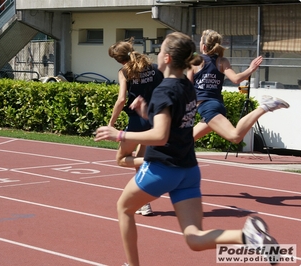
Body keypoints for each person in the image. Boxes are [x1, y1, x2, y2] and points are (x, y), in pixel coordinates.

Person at [95, 32, 278, 266]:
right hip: (188, 170)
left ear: (168, 58)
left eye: (160, 50)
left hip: (162, 168)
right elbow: (173, 122)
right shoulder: (187, 87)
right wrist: (147, 113)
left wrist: (118, 133)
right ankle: (246, 236)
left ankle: (132, 265)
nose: (157, 54)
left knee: (124, 209)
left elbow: (160, 136)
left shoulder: (164, 90)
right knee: (194, 238)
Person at [186, 29, 289, 143]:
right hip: (216, 105)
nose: (199, 44)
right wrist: (250, 69)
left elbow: (187, 88)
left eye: (200, 41)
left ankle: (265, 106)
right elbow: (236, 79)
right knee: (187, 140)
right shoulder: (222, 61)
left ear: (204, 46)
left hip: (207, 107)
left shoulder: (195, 62)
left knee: (235, 136)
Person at [107, 37, 164, 216]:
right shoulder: (154, 69)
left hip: (137, 121)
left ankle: (156, 164)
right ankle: (144, 203)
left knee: (122, 158)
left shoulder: (124, 72)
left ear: (120, 60)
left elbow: (122, 99)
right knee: (139, 161)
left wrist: (111, 124)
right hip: (153, 117)